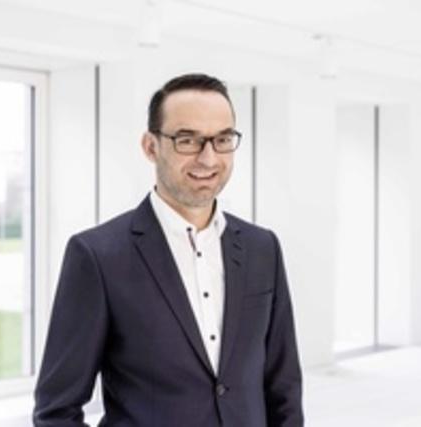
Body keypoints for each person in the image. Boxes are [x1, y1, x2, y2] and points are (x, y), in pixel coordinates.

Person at [33, 73, 304, 426]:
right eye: (187, 140)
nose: (208, 158)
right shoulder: (97, 256)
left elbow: (283, 388)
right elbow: (56, 412)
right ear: (151, 147)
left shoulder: (262, 247)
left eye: (222, 139)